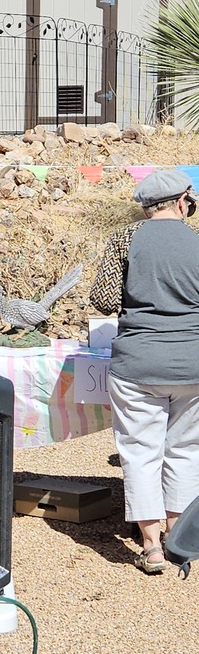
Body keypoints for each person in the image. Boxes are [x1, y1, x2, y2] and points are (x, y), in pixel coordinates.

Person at [90, 168, 199, 574]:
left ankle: (150, 545)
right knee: (186, 451)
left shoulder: (124, 239)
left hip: (137, 361)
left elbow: (102, 299)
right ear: (183, 201)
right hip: (194, 361)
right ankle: (179, 537)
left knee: (140, 452)